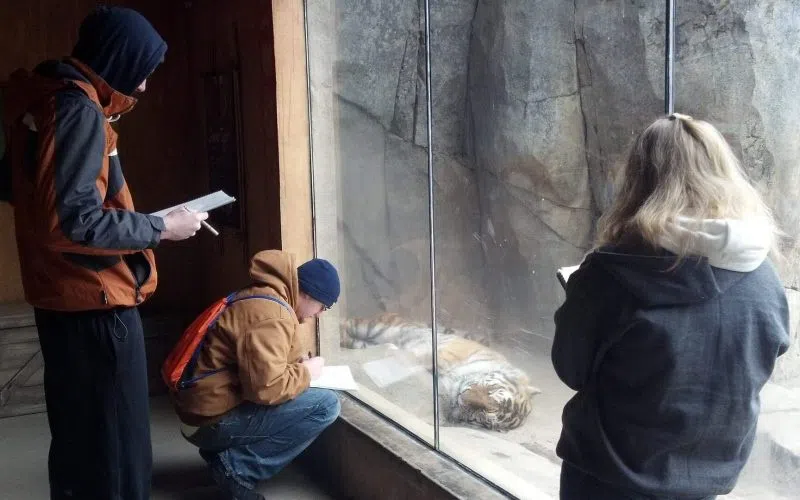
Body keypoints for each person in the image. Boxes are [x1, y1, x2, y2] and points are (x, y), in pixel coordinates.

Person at [0, 6, 208, 500]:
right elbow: (76, 221)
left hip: (61, 300)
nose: (144, 85)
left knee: (80, 447)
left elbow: (17, 187)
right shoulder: (77, 110)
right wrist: (162, 227)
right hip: (97, 308)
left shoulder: (41, 99)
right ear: (119, 59)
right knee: (118, 455)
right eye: (143, 70)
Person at [552, 113, 791, 500]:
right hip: (703, 484)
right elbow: (761, 360)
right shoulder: (763, 278)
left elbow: (571, 368)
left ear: (639, 180)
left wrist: (580, 296)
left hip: (607, 479)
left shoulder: (612, 273)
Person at [172, 249, 342, 500]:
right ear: (307, 294)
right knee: (326, 405)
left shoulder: (263, 297)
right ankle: (237, 468)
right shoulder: (273, 316)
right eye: (323, 306)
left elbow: (257, 363)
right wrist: (306, 373)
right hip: (207, 422)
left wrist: (297, 367)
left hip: (198, 410)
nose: (319, 314)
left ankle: (222, 455)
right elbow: (266, 389)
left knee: (305, 392)